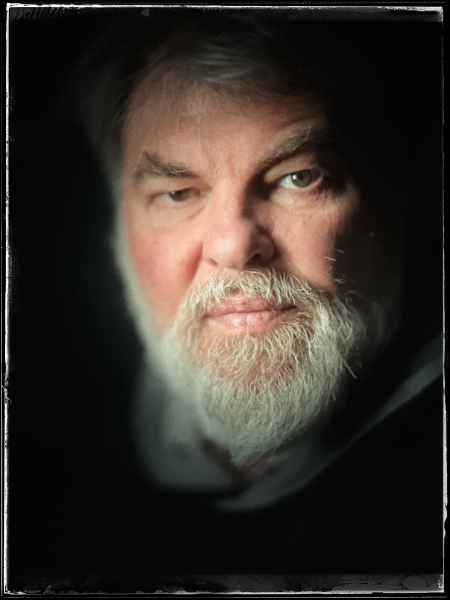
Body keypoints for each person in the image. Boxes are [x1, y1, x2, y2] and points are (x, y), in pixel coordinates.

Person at [54, 8, 443, 590]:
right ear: (119, 231)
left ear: (394, 201)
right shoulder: (64, 454)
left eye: (299, 177)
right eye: (178, 193)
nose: (234, 246)